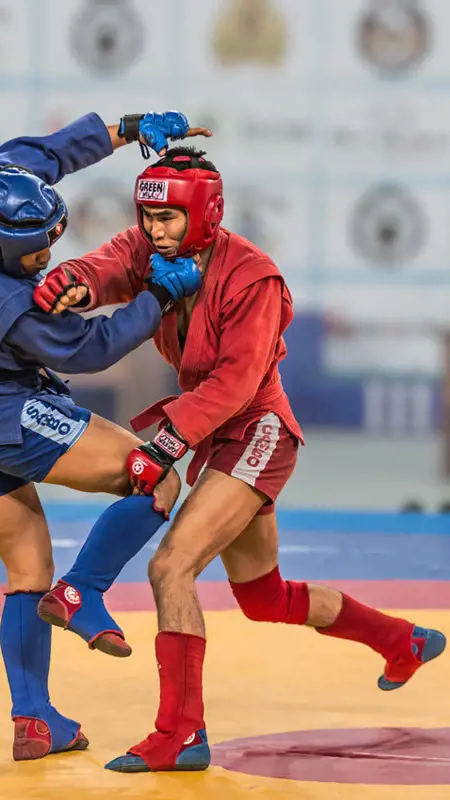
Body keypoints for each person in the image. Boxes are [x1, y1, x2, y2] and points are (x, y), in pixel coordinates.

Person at [34, 146, 447, 773]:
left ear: (205, 214)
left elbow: (236, 382)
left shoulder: (254, 277)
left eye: (170, 220)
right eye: (148, 219)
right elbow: (110, 263)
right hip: (216, 431)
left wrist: (171, 441)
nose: (155, 231)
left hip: (256, 429)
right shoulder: (152, 250)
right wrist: (77, 282)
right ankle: (404, 641)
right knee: (263, 595)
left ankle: (181, 733)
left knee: (172, 568)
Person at [0, 112, 212, 761]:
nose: (48, 259)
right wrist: (159, 299)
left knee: (27, 570)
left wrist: (127, 127)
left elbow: (49, 151)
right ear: (1, 250)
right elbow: (94, 347)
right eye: (36, 253)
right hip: (8, 419)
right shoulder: (6, 307)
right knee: (157, 474)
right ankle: (87, 591)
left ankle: (34, 720)